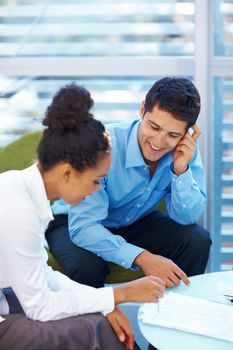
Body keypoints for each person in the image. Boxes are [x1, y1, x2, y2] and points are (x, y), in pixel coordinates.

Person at [0, 83, 165, 350]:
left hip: (9, 297)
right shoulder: (20, 211)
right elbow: (41, 306)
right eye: (96, 180)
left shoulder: (23, 189)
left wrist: (106, 302)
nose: (97, 191)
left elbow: (45, 276)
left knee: (99, 319)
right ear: (67, 173)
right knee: (95, 330)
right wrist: (119, 294)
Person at [46, 77, 212, 290]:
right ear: (143, 109)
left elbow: (186, 218)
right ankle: (93, 324)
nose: (159, 142)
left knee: (196, 240)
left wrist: (180, 170)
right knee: (87, 266)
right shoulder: (103, 144)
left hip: (133, 221)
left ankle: (173, 314)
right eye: (154, 127)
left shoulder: (184, 151)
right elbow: (84, 227)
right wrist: (143, 257)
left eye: (172, 135)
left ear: (186, 133)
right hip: (73, 221)